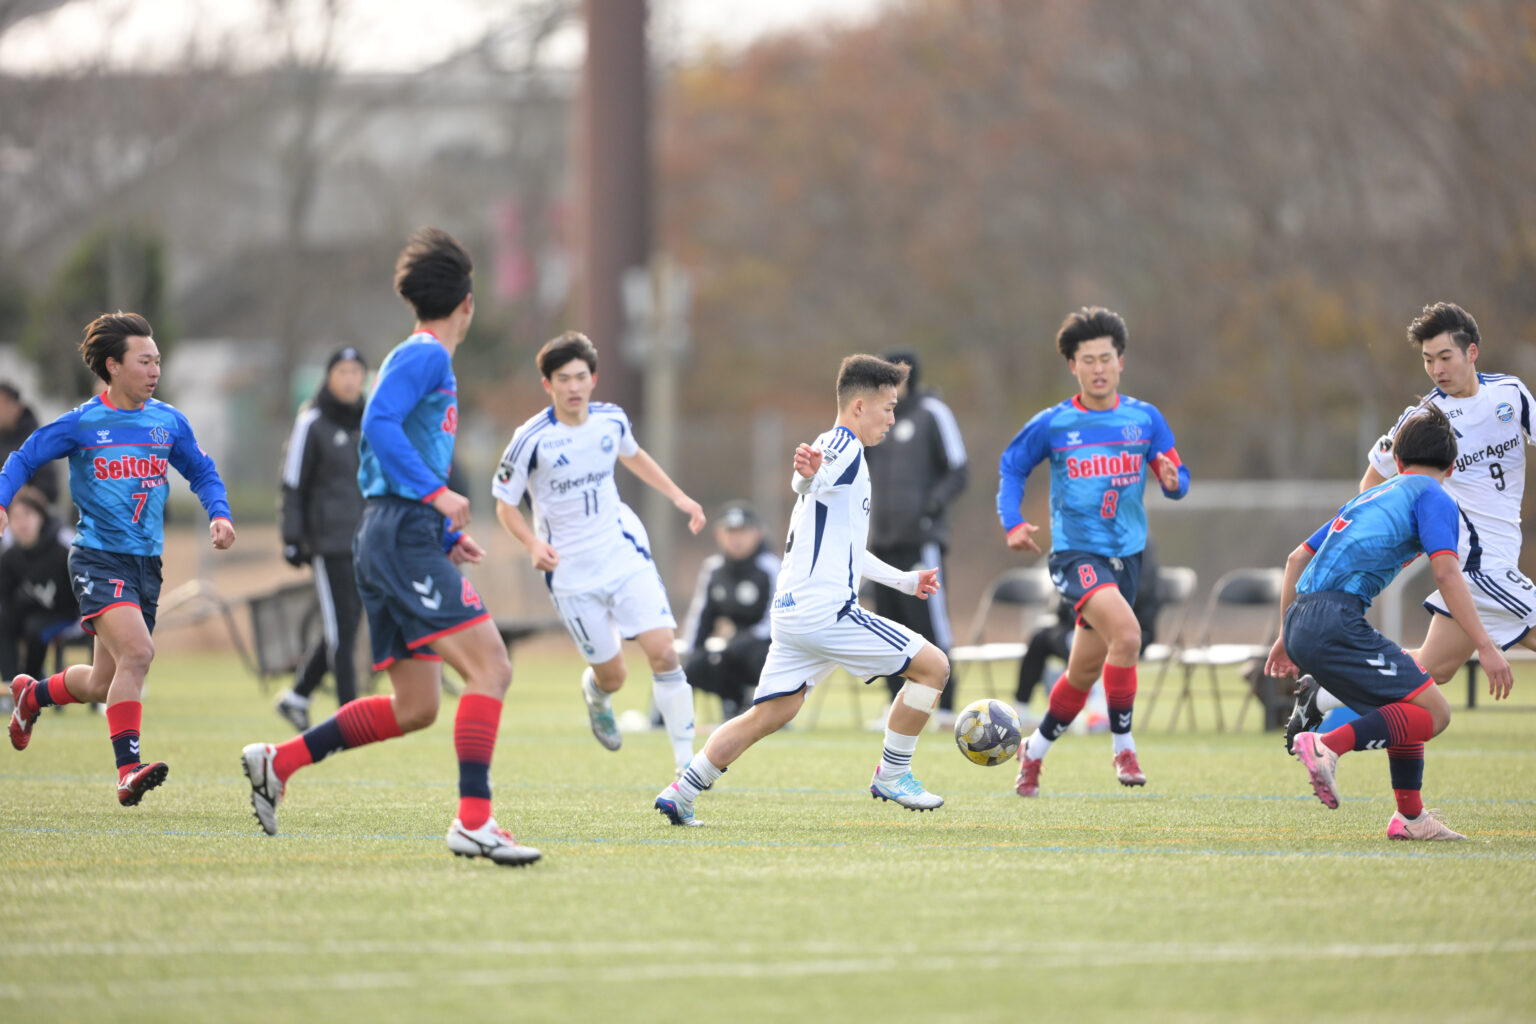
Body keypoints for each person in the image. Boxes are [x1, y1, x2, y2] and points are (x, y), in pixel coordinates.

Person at [241, 227, 540, 866]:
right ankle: (474, 822)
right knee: (492, 667)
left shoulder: (418, 356)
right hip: (400, 533)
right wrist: (433, 497)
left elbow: (387, 444)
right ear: (468, 303)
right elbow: (376, 423)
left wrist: (442, 530)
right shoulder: (427, 355)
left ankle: (279, 762)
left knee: (417, 706)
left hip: (397, 533)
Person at [655, 354, 951, 826]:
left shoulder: (843, 450)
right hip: (825, 611)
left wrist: (904, 580)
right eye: (888, 408)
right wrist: (807, 474)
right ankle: (893, 774)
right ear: (859, 407)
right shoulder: (841, 445)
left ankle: (682, 790)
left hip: (793, 613)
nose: (893, 420)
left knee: (771, 713)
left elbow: (847, 547)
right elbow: (810, 479)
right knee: (933, 668)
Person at [2, 311, 236, 806]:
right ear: (113, 366)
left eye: (158, 361)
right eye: (144, 361)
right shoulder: (84, 423)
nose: (155, 371)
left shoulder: (167, 422)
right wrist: (3, 502)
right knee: (139, 653)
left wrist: (219, 513)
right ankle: (128, 770)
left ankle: (31, 695)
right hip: (96, 560)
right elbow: (25, 456)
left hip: (145, 565)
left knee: (100, 682)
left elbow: (202, 471)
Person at [1287, 302, 1536, 752]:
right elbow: (1372, 487)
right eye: (1427, 359)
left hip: (1500, 556)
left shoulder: (1511, 394)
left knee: (1434, 669)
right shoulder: (1424, 418)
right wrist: (1408, 537)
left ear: (1472, 352)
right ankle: (1332, 736)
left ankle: (1321, 693)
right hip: (1476, 564)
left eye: (1445, 357)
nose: (1436, 369)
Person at [1264, 404, 1513, 840]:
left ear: (1397, 462)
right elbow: (1446, 574)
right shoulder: (1434, 496)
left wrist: (1287, 633)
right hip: (1335, 620)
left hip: (1303, 617)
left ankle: (1410, 818)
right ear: (1451, 467)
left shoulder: (1368, 497)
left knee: (1408, 699)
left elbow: (1296, 558)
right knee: (1434, 713)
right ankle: (1326, 745)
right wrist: (1486, 645)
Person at [493, 331, 706, 774]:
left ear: (593, 379)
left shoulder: (611, 420)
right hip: (570, 571)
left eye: (580, 377)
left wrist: (679, 497)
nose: (573, 387)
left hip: (622, 551)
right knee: (614, 675)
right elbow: (505, 505)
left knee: (665, 653)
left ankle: (686, 767)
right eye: (563, 379)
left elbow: (634, 455)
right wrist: (532, 544)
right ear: (548, 385)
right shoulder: (530, 438)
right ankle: (596, 695)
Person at [997, 306, 1189, 797]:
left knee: (1082, 673)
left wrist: (1172, 481)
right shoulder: (1055, 423)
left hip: (1128, 557)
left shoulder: (1144, 418)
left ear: (1120, 361)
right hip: (1076, 555)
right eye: (1088, 360)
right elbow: (1012, 465)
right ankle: (1124, 747)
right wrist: (1013, 522)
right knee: (1128, 635)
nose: (1099, 368)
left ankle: (1033, 750)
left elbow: (1177, 477)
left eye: (1106, 358)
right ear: (1073, 366)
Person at [863, 349, 968, 723]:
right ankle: (896, 707)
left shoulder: (931, 413)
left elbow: (958, 469)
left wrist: (930, 507)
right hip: (883, 541)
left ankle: (946, 706)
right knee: (889, 626)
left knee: (929, 623)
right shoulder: (877, 420)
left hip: (921, 540)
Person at [272, 346, 369, 731]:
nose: (349, 379)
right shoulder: (311, 421)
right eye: (342, 371)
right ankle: (351, 719)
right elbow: (292, 483)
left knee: (346, 627)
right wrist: (292, 537)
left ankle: (297, 697)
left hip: (364, 541)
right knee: (340, 631)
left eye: (356, 372)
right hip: (329, 544)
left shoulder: (367, 422)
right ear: (329, 377)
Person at [1015, 542, 1163, 713]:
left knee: (1079, 645)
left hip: (1129, 629)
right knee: (1041, 639)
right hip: (1081, 625)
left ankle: (1096, 706)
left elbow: (1138, 591)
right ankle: (1021, 709)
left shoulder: (1136, 544)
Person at [678, 501, 780, 723]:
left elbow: (777, 618)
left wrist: (742, 642)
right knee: (694, 666)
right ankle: (673, 719)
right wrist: (692, 651)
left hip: (766, 645)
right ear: (718, 534)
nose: (736, 539)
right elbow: (701, 616)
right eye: (730, 531)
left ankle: (775, 714)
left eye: (743, 531)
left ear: (758, 533)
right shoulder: (713, 569)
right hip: (732, 646)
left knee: (758, 658)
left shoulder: (771, 567)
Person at [0, 485, 81, 685]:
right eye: (15, 517)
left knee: (35, 628)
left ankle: (31, 685)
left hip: (66, 615)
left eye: (27, 514)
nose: (22, 522)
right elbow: (6, 599)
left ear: (41, 517)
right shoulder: (10, 557)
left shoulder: (62, 548)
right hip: (30, 614)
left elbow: (78, 593)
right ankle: (11, 684)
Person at [0, 382, 61, 506]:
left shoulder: (37, 441)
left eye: (3, 403)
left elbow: (49, 490)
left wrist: (24, 493)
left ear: (18, 407)